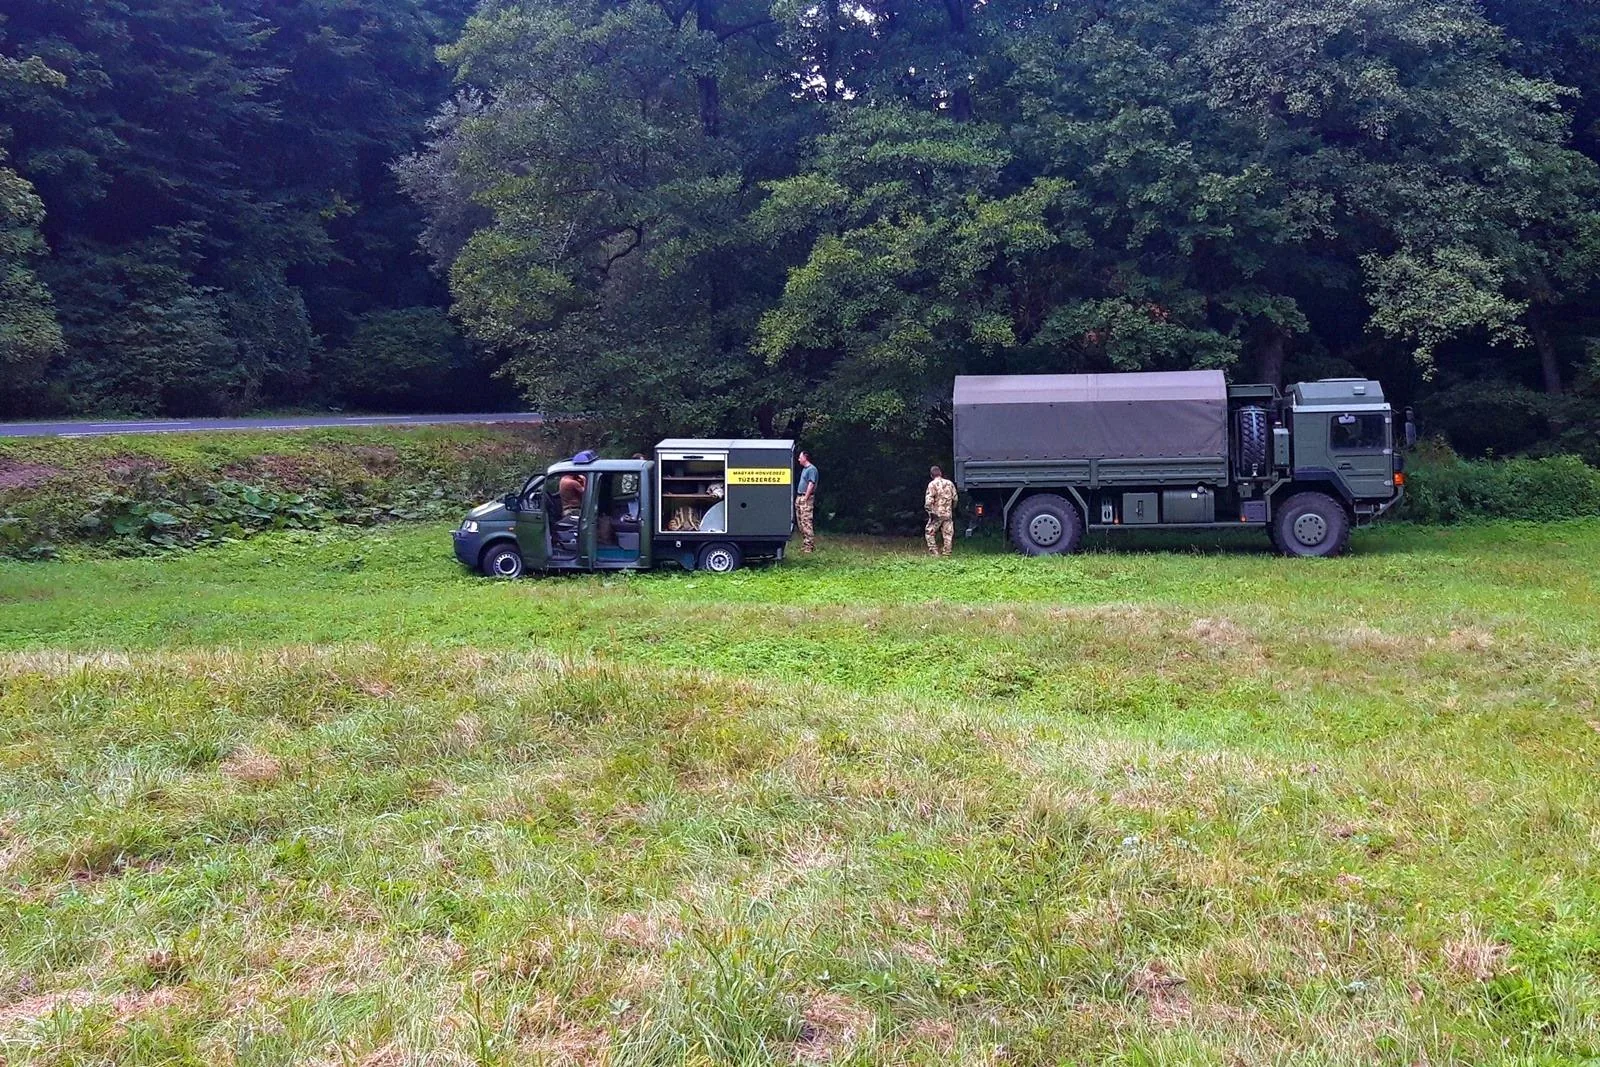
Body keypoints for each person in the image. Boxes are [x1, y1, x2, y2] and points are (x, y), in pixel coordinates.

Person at [925, 464, 957, 557]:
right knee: (948, 534)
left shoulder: (932, 484)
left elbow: (929, 501)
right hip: (948, 513)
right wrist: (952, 508)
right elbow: (955, 498)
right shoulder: (949, 483)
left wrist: (930, 512)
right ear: (940, 473)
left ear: (931, 475)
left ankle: (934, 553)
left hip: (936, 514)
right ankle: (947, 553)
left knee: (929, 532)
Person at [795, 450, 818, 554]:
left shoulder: (812, 469)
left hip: (806, 498)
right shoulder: (805, 469)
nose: (798, 459)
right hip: (800, 496)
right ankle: (805, 544)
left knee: (806, 521)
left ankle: (809, 546)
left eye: (800, 457)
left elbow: (811, 484)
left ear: (805, 458)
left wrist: (806, 497)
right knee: (801, 522)